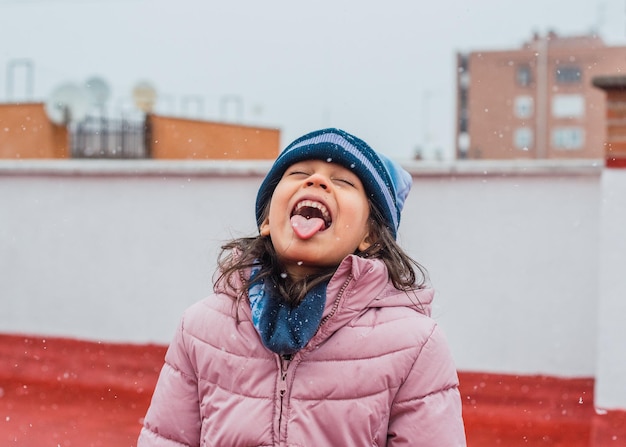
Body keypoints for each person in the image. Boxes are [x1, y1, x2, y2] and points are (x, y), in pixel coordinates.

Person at [137, 128, 466, 446]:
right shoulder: (200, 328)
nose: (317, 180)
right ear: (266, 221)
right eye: (298, 174)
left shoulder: (414, 343)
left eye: (342, 181)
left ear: (372, 236)